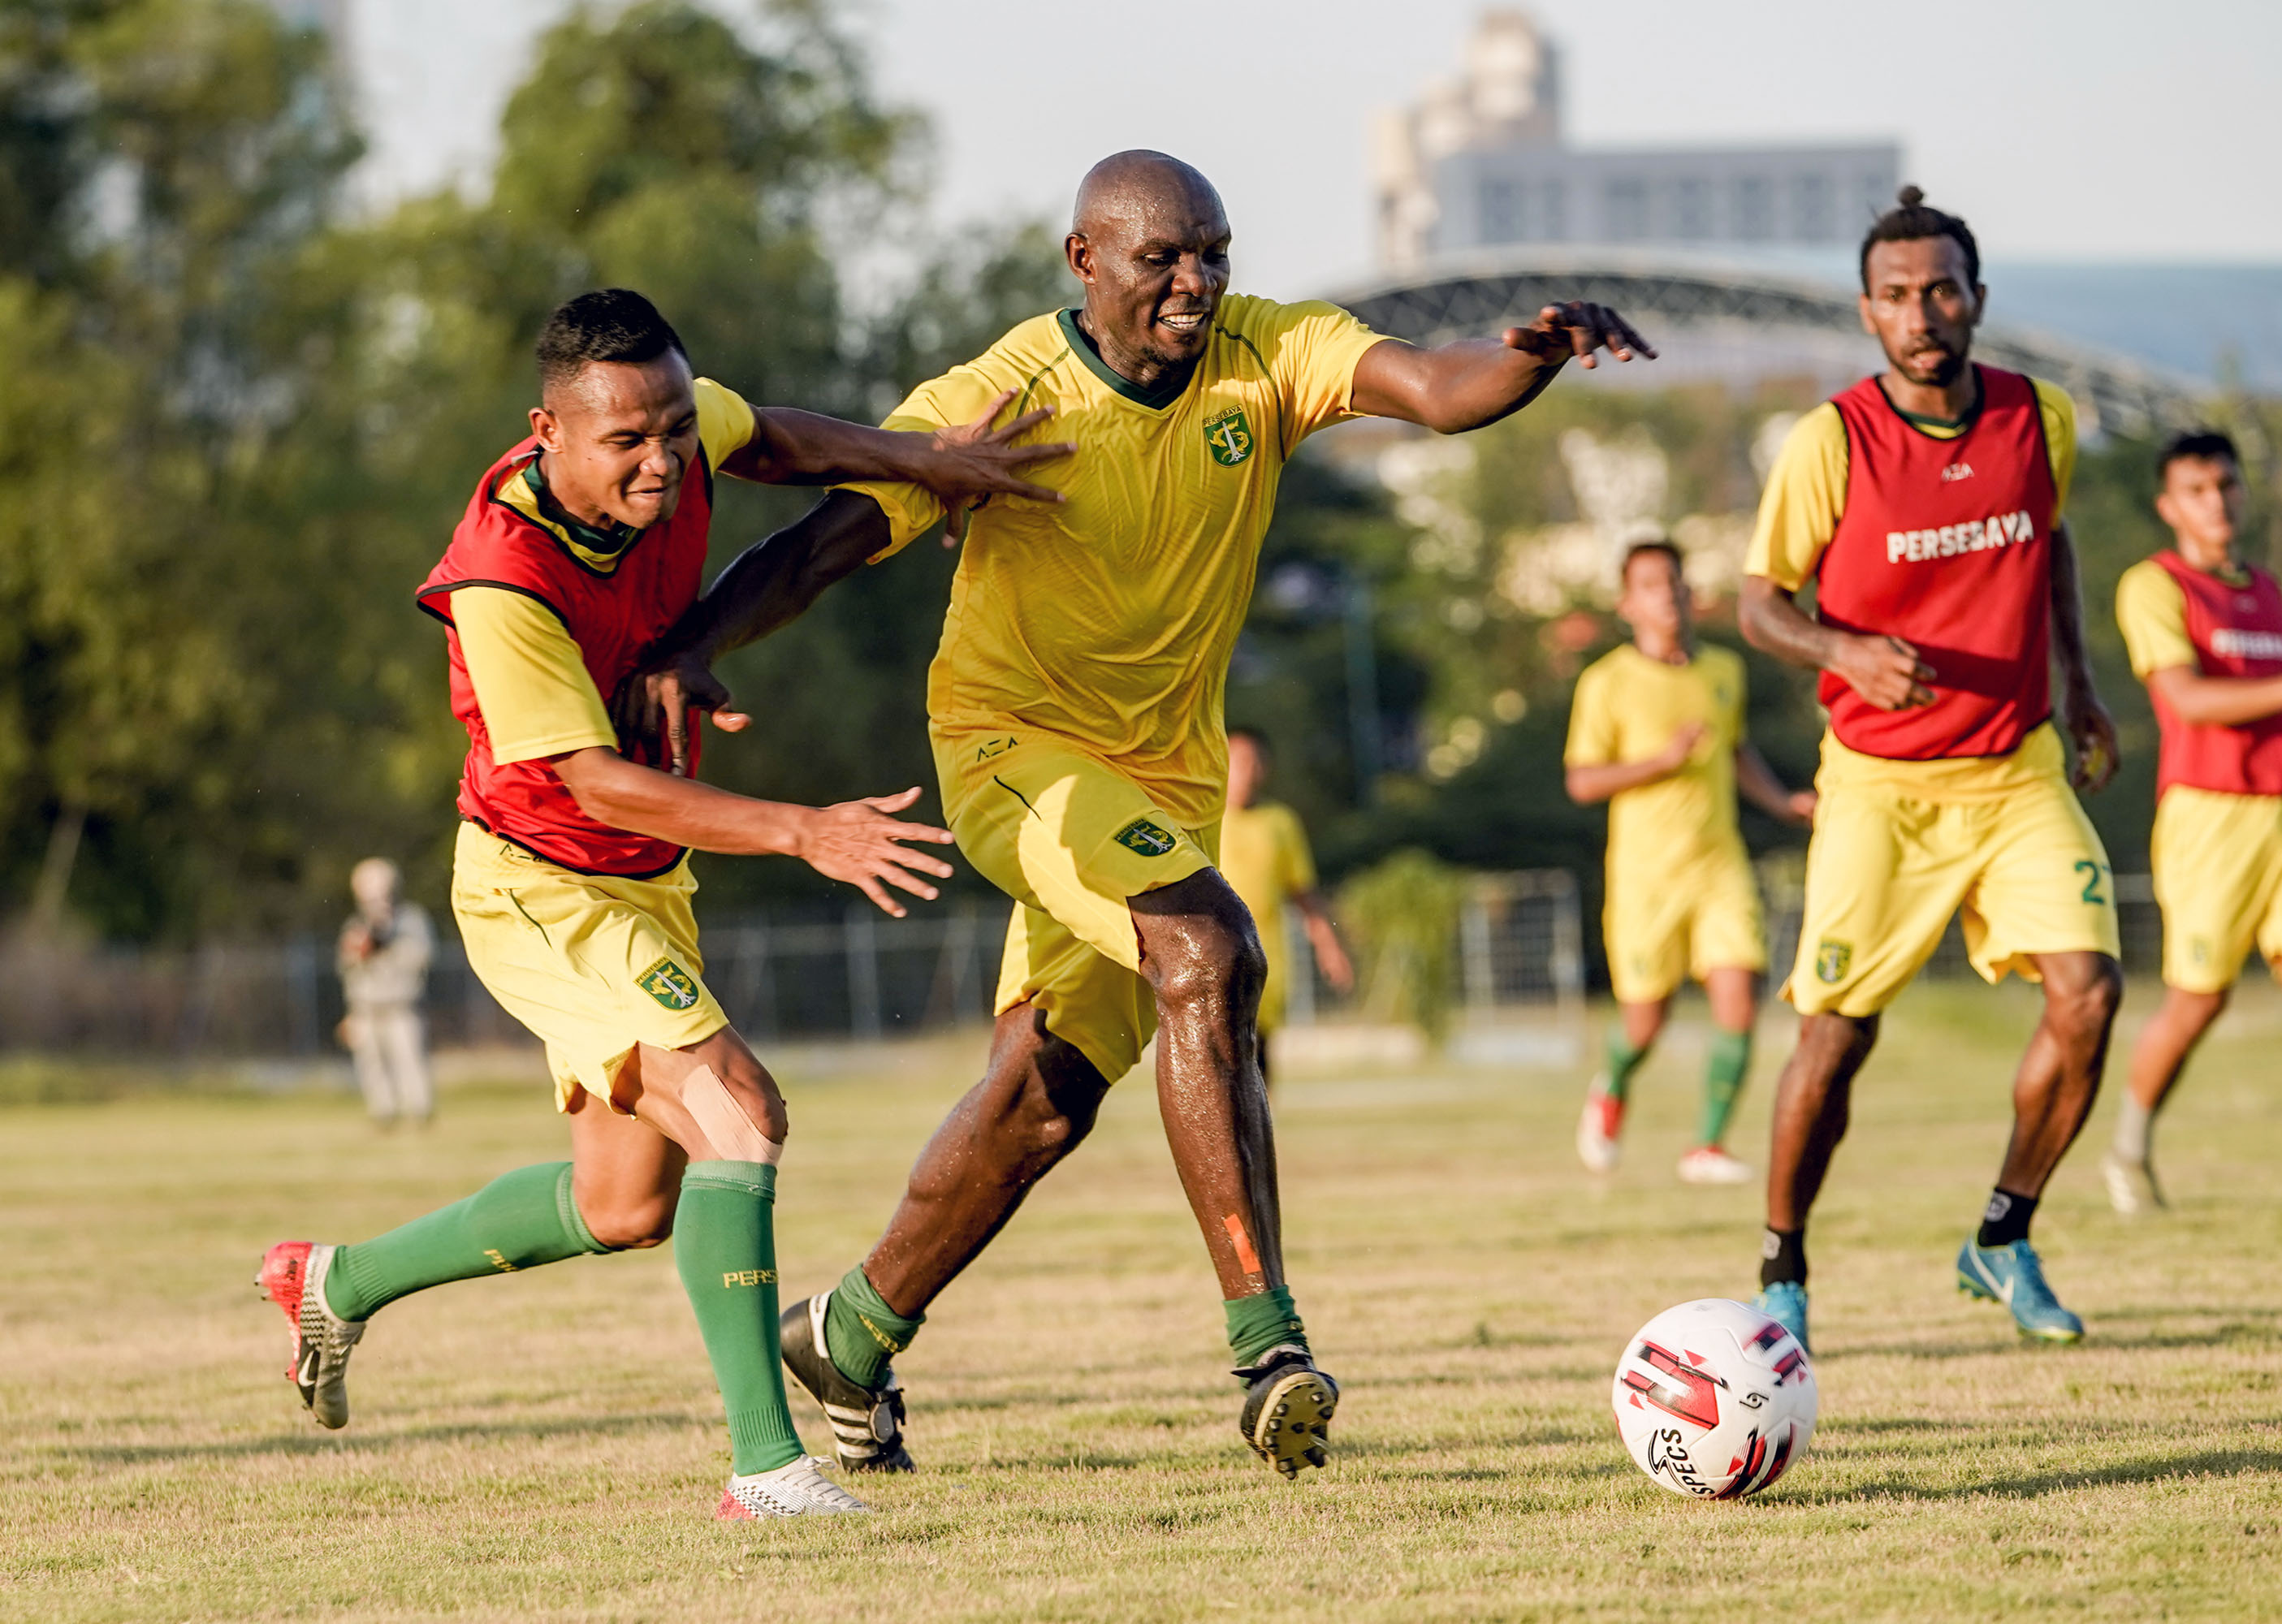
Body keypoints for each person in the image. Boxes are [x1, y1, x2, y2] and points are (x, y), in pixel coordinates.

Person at [629, 151, 1654, 1480]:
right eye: (1163, 257)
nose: (1196, 281)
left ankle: (850, 1334)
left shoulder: (1261, 353)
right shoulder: (1008, 397)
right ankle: (1269, 1349)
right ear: (1084, 263)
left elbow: (1430, 386)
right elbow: (825, 542)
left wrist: (1535, 354)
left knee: (1043, 1099)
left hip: (1161, 788)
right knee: (1208, 952)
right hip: (1018, 759)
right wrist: (702, 642)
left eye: (1214, 252)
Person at [257, 287, 1067, 1520]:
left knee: (623, 1204)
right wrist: (805, 829)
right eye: (626, 441)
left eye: (674, 430)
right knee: (738, 1116)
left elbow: (779, 442)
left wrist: (929, 460)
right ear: (547, 432)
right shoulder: (503, 579)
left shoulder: (681, 432)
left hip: (635, 883)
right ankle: (768, 1469)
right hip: (542, 887)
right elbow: (588, 781)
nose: (662, 460)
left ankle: (336, 1282)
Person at [1736, 188, 2124, 1350]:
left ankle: (2002, 1239)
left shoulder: (2037, 417)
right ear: (1868, 312)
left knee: (2091, 995)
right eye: (1898, 296)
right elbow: (1758, 605)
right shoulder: (1831, 441)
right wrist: (1843, 645)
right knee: (1836, 1036)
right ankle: (1782, 1270)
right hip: (1879, 784)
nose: (1923, 313)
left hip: (2017, 772)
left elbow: (2046, 540)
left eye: (1942, 290)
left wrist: (2082, 682)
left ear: (1977, 300)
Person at [2108, 431, 2282, 1221]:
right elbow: (2192, 702)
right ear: (2169, 506)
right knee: (2200, 998)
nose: (2218, 501)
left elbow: (2268, 704)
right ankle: (2128, 1152)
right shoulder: (2153, 585)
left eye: (2227, 485)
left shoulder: (2273, 589)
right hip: (2210, 813)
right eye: (2197, 489)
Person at [1565, 540, 1813, 1185]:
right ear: (1627, 604)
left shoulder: (1724, 671)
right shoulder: (1607, 681)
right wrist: (1660, 762)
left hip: (1719, 864)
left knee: (1739, 996)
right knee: (1646, 1022)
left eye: (1674, 582)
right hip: (1646, 877)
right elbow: (1582, 782)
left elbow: (1735, 752)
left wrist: (1782, 801)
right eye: (1650, 585)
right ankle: (1612, 1083)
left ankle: (1705, 1145)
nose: (1667, 595)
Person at [1217, 725, 1356, 1083]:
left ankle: (1256, 1137)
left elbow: (1304, 895)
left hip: (1266, 958)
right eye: (1237, 761)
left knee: (1254, 1056)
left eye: (1253, 762)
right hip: (1212, 954)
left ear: (1265, 769)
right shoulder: (1202, 816)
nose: (1245, 771)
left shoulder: (1280, 824)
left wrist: (1330, 948)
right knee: (1215, 1056)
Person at [336, 857, 435, 1129]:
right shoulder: (355, 924)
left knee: (410, 1060)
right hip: (366, 1007)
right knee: (372, 1065)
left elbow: (422, 958)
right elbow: (348, 969)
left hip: (401, 1005)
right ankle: (383, 1113)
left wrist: (388, 946)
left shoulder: (411, 920)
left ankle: (420, 1112)